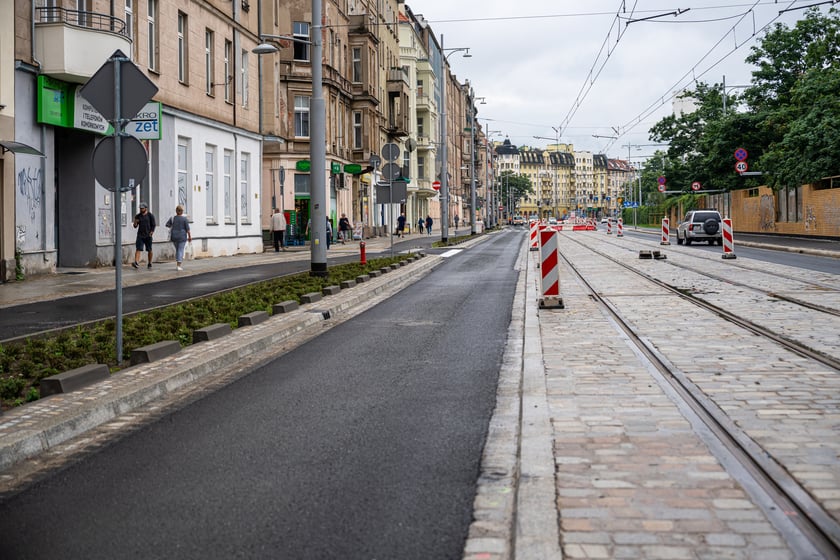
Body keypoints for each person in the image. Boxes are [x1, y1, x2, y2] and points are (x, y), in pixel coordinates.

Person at [165, 205, 191, 271]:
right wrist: (190, 237)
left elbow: (167, 225)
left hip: (174, 236)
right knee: (180, 250)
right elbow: (188, 229)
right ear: (182, 212)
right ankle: (178, 265)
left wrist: (173, 226)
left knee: (178, 250)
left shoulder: (172, 218)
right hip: (182, 237)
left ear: (176, 211)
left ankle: (178, 262)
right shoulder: (185, 219)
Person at [132, 202, 156, 269]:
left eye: (142, 208)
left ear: (146, 208)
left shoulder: (150, 215)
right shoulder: (138, 216)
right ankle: (136, 262)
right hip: (140, 235)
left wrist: (151, 232)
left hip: (148, 235)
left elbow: (153, 225)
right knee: (138, 249)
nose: (141, 209)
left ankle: (150, 262)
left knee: (149, 250)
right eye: (140, 208)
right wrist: (135, 222)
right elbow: (135, 226)